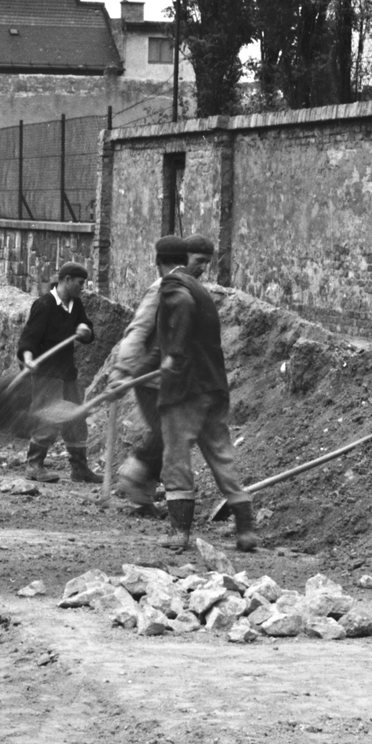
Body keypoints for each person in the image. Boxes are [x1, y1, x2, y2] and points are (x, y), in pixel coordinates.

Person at [154, 233, 256, 553]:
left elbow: (180, 311)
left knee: (175, 457)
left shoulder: (175, 285)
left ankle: (179, 531)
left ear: (160, 263)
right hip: (214, 386)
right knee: (221, 454)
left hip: (186, 389)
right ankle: (245, 529)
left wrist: (173, 354)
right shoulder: (201, 290)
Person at [105, 239, 180, 513]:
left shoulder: (185, 289)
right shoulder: (159, 290)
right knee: (165, 433)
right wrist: (123, 371)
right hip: (149, 379)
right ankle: (133, 476)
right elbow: (137, 330)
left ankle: (143, 494)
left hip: (172, 378)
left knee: (171, 435)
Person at [18, 261, 99, 483]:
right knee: (48, 417)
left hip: (67, 372)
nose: (83, 287)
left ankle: (80, 469)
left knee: (76, 417)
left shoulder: (76, 305)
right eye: (80, 283)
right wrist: (27, 358)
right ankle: (34, 465)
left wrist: (86, 331)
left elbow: (88, 331)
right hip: (46, 372)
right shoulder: (44, 305)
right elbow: (29, 337)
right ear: (67, 280)